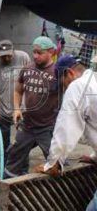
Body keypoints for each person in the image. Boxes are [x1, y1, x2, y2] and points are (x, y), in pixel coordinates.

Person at [34, 55, 97, 210]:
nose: (65, 88)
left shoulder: (79, 86)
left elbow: (67, 126)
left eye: (64, 84)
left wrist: (53, 163)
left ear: (69, 73)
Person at [3, 36, 59, 179]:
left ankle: (60, 193)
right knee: (14, 154)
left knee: (56, 159)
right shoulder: (28, 68)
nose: (35, 56)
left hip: (47, 126)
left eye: (39, 53)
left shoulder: (57, 73)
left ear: (51, 52)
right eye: (34, 52)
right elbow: (18, 90)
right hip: (27, 124)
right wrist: (16, 109)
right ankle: (6, 185)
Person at [0, 39, 30, 166]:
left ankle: (22, 168)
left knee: (23, 141)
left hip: (21, 109)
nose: (6, 59)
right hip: (3, 110)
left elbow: (30, 81)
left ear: (13, 50)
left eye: (8, 55)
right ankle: (4, 167)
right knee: (3, 142)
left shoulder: (23, 57)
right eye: (3, 56)